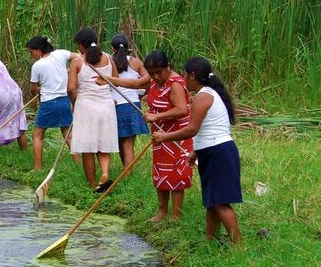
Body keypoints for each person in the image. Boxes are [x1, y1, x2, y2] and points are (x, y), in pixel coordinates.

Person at [153, 57, 242, 244]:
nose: (183, 78)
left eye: (185, 75)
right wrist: (195, 152)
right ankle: (210, 241)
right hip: (212, 151)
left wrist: (165, 137)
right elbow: (206, 130)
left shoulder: (203, 97)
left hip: (220, 152)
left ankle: (238, 246)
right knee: (211, 202)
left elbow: (191, 129)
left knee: (220, 203)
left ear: (192, 75)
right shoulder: (206, 94)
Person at [103, 50, 193, 222]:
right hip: (159, 136)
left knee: (176, 175)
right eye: (152, 73)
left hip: (176, 136)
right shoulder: (152, 80)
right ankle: (161, 212)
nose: (156, 76)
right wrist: (109, 80)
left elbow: (182, 109)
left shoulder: (175, 83)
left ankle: (176, 216)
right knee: (161, 172)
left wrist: (156, 116)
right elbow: (134, 84)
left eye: (159, 72)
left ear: (168, 67)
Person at [68, 28, 119, 192]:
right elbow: (116, 81)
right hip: (106, 106)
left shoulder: (77, 61)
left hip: (86, 107)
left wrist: (74, 102)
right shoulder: (109, 58)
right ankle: (104, 174)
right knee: (103, 145)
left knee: (87, 148)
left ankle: (92, 185)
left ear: (81, 45)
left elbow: (71, 88)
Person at [27, 36, 78, 170]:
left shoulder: (37, 66)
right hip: (64, 101)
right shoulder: (60, 54)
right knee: (68, 135)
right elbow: (78, 57)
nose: (31, 55)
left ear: (38, 50)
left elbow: (33, 88)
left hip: (48, 103)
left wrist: (40, 91)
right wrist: (71, 70)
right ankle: (78, 165)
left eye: (31, 52)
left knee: (37, 135)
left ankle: (38, 168)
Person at [110, 33, 150, 168]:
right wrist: (140, 95)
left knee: (121, 143)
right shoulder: (136, 62)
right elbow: (149, 81)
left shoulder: (109, 61)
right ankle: (127, 176)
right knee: (128, 146)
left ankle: (126, 174)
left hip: (115, 106)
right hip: (132, 105)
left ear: (112, 48)